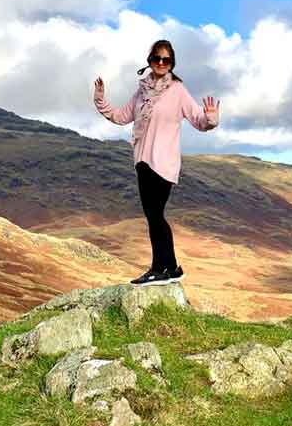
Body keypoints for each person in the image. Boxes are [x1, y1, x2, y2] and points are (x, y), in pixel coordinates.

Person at [94, 39, 220, 286]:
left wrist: (211, 119)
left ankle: (159, 267)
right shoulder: (141, 92)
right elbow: (120, 117)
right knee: (153, 216)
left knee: (155, 215)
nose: (161, 63)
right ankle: (170, 268)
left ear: (172, 64)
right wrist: (101, 99)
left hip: (163, 162)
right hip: (142, 161)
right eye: (157, 59)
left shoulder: (177, 91)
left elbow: (199, 120)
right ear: (149, 61)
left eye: (166, 60)